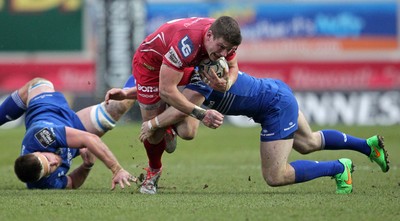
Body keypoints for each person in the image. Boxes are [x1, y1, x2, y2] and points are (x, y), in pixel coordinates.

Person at [108, 69, 390, 194]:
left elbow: (183, 110)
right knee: (309, 142)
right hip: (277, 90)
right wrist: (128, 92)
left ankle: (339, 168)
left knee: (275, 176)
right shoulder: (192, 71)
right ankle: (368, 145)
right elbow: (168, 91)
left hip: (274, 107)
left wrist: (155, 124)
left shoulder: (202, 79)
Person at [128, 15, 242, 193]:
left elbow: (233, 66)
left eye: (228, 50)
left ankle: (167, 123)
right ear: (209, 36)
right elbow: (166, 90)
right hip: (151, 64)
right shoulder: (187, 42)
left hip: (187, 65)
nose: (223, 55)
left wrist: (227, 83)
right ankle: (154, 171)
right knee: (153, 135)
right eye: (221, 48)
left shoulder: (225, 37)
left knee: (187, 132)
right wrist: (202, 114)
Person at [0, 77, 137, 190]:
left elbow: (89, 139)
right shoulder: (41, 183)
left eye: (48, 159)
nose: (55, 162)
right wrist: (86, 166)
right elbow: (71, 182)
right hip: (72, 126)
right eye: (51, 168)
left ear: (38, 152)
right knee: (119, 107)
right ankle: (142, 79)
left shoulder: (42, 137)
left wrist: (116, 169)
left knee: (39, 83)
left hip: (51, 110)